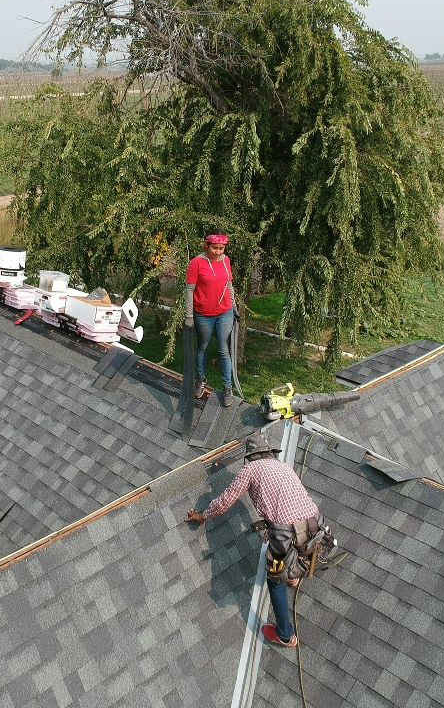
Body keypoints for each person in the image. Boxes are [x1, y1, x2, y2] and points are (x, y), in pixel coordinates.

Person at [186, 434, 337, 649]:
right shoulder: (283, 467)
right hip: (315, 524)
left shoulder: (250, 470)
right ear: (268, 452)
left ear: (250, 457)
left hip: (286, 536)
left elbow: (225, 501)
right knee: (303, 548)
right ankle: (293, 576)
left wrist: (203, 515)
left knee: (275, 580)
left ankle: (285, 635)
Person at [184, 234, 236, 407]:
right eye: (214, 248)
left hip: (225, 312)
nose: (218, 252)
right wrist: (189, 316)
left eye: (221, 248)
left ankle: (227, 387)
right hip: (203, 314)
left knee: (223, 349)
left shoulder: (226, 261)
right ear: (206, 246)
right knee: (203, 347)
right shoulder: (196, 263)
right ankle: (201, 379)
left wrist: (233, 305)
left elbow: (229, 285)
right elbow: (189, 290)